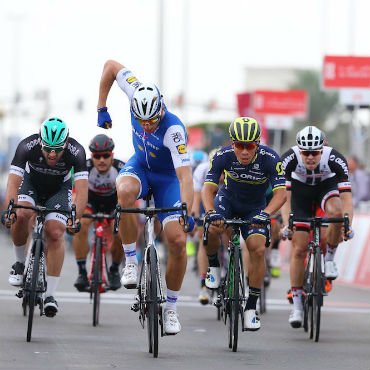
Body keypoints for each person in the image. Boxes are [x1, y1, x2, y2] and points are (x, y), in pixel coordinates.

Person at [96, 60, 194, 335]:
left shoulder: (174, 130)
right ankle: (130, 260)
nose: (148, 126)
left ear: (161, 107)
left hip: (167, 180)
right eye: (142, 121)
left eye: (152, 120)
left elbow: (185, 177)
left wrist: (187, 211)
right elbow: (111, 66)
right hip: (140, 166)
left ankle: (172, 309)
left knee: (176, 241)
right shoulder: (135, 90)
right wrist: (101, 106)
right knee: (124, 191)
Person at [201, 117, 287, 331]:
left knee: (258, 249)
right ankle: (213, 266)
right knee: (212, 227)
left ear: (258, 144)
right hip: (228, 201)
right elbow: (208, 188)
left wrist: (266, 214)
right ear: (233, 144)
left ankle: (250, 307)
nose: (245, 151)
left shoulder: (270, 158)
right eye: (240, 145)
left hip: (256, 208)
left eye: (250, 146)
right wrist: (211, 212)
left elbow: (281, 195)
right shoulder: (222, 156)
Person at [1, 117, 88, 317]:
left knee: (55, 232)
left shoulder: (77, 152)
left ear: (65, 144)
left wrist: (76, 218)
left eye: (57, 150)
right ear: (40, 141)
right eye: (48, 148)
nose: (52, 153)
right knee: (22, 213)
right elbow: (13, 183)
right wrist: (10, 211)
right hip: (30, 184)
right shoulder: (26, 146)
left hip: (58, 189)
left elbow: (82, 191)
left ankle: (50, 295)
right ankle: (19, 263)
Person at [280, 125, 354, 329]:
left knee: (337, 214)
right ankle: (297, 307)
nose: (311, 157)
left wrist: (347, 224)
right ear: (299, 150)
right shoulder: (289, 159)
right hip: (300, 194)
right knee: (299, 248)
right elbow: (285, 198)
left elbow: (347, 199)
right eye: (306, 152)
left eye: (315, 152)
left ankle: (329, 259)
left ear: (323, 149)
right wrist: (287, 223)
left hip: (325, 188)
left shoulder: (335, 159)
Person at [73, 134, 125, 292]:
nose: (101, 160)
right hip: (91, 201)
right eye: (97, 156)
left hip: (113, 202)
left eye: (106, 155)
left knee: (121, 232)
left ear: (112, 155)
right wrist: (74, 216)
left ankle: (114, 270)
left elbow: (128, 197)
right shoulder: (85, 167)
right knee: (81, 225)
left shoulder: (122, 168)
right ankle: (82, 271)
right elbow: (76, 195)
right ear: (91, 156)